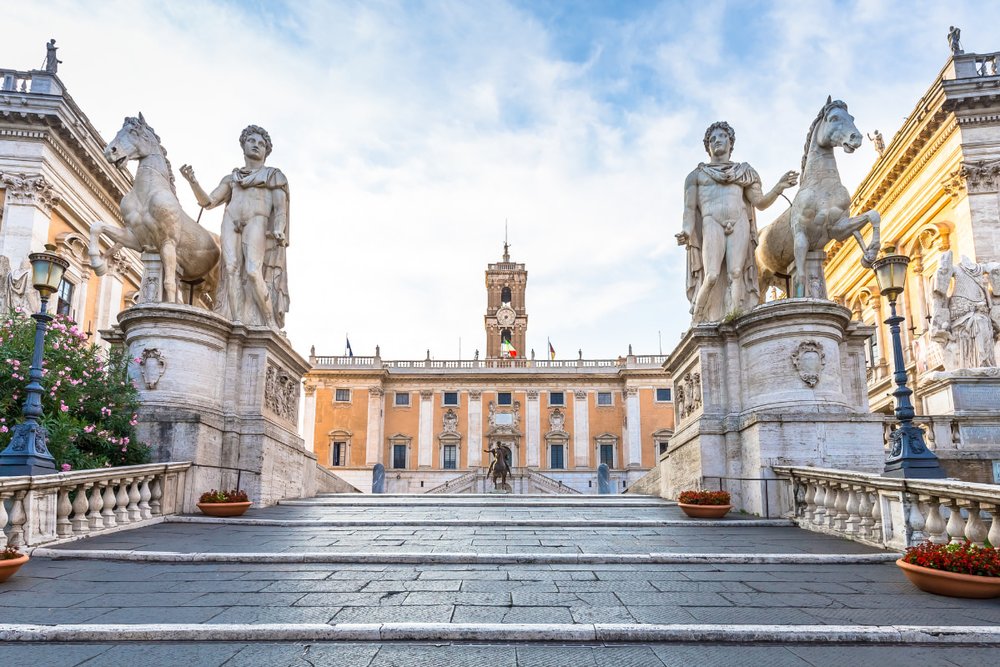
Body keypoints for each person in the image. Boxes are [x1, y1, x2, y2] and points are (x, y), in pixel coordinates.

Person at [676, 121, 797, 323]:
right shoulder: (696, 176)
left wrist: (779, 187)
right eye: (712, 139)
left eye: (722, 136)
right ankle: (697, 320)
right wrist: (686, 232)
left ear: (730, 142)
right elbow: (689, 210)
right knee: (712, 275)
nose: (717, 141)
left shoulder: (744, 172)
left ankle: (734, 321)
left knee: (736, 272)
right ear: (708, 147)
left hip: (739, 221)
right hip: (711, 222)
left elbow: (759, 203)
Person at [181, 125, 289, 328]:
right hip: (231, 221)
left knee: (252, 271)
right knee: (230, 269)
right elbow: (209, 202)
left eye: (261, 144)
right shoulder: (231, 179)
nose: (256, 146)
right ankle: (236, 321)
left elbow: (280, 209)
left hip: (257, 220)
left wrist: (278, 229)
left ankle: (269, 321)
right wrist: (193, 182)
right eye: (251, 141)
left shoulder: (273, 176)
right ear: (243, 145)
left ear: (266, 151)